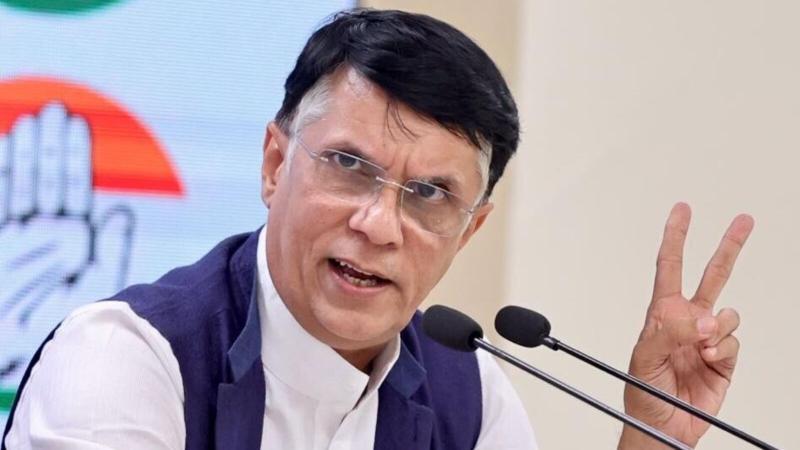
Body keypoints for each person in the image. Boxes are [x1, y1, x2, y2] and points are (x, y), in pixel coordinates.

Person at [2, 8, 753, 450]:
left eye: (429, 195)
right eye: (349, 166)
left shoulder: (472, 396)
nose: (379, 224)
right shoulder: (127, 359)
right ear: (274, 164)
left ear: (468, 232)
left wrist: (652, 435)